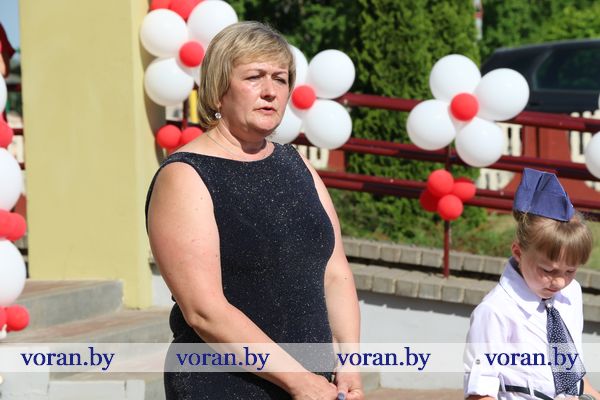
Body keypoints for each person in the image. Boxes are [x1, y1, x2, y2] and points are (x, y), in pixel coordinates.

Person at [146, 21, 363, 400]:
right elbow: (205, 311)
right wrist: (299, 381)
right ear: (219, 90)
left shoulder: (295, 163)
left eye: (280, 79)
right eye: (253, 77)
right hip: (226, 385)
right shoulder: (185, 176)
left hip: (313, 385)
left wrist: (349, 362)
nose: (270, 91)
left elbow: (335, 271)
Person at [464, 168, 600, 400]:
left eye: (570, 271)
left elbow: (572, 371)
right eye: (548, 270)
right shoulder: (495, 311)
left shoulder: (571, 293)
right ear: (518, 252)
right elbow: (480, 392)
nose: (560, 281)